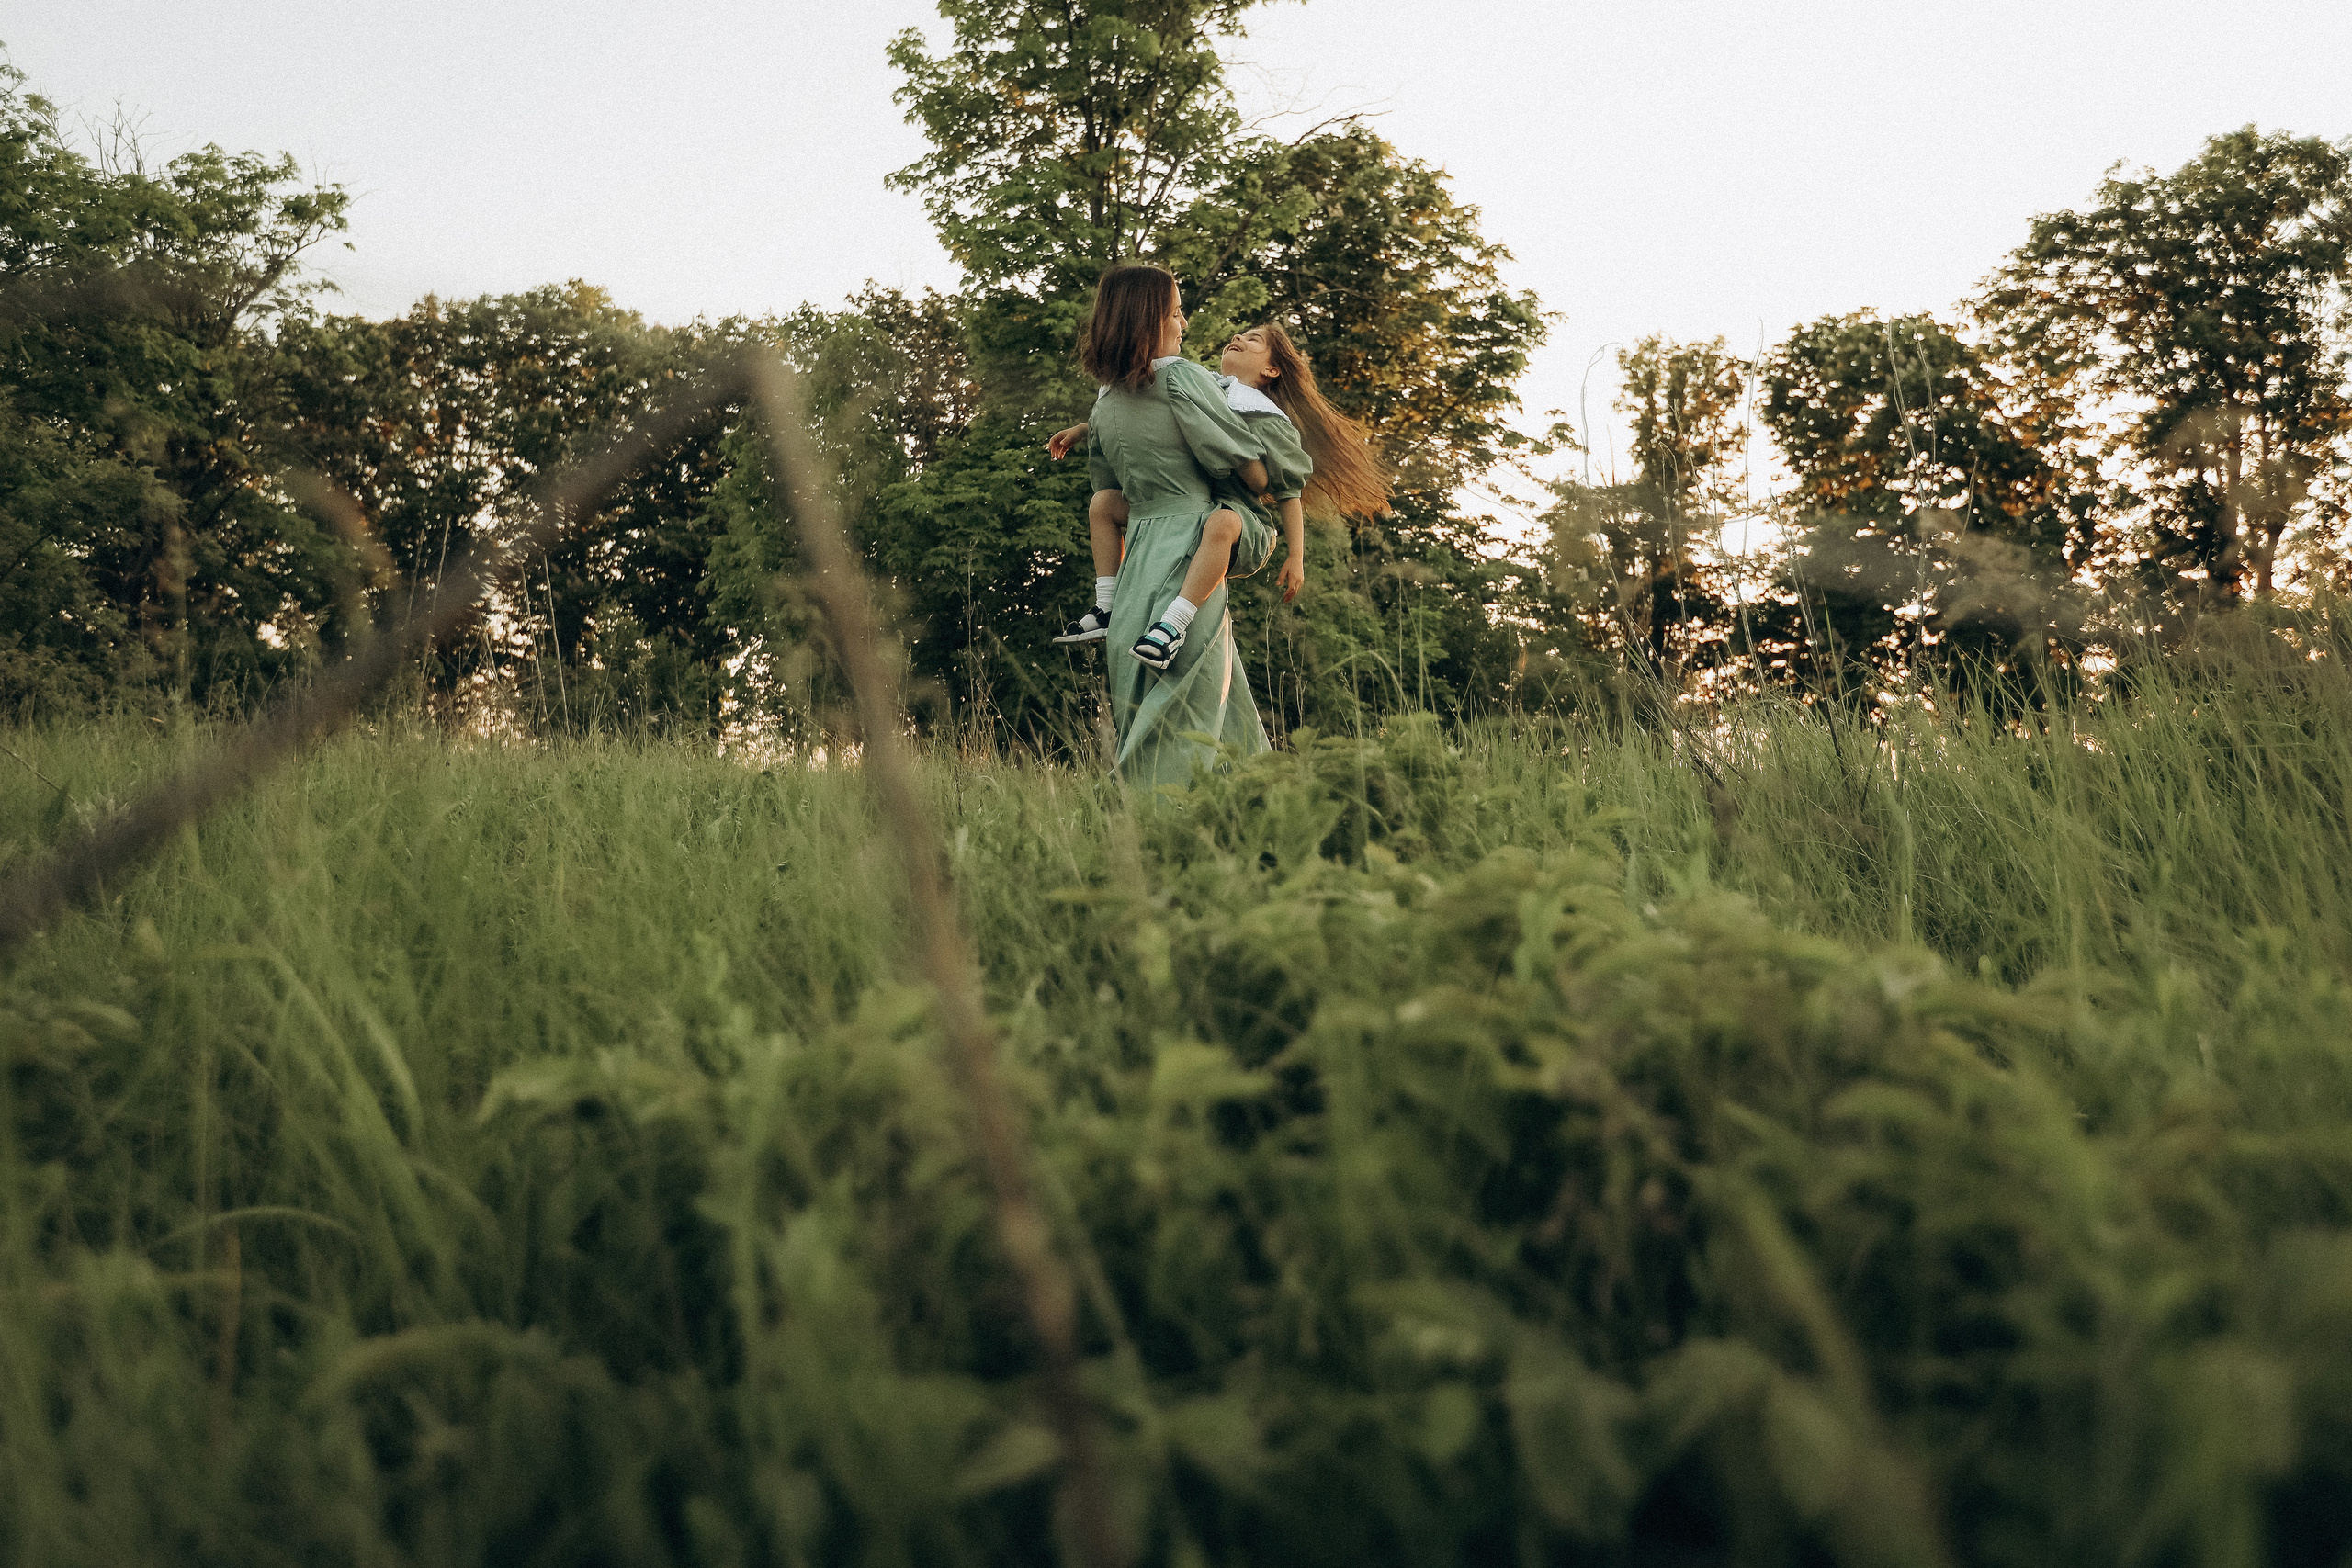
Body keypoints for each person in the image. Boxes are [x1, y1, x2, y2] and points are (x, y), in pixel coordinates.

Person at [1062, 263, 1283, 786]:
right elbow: (1236, 456)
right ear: (1152, 319)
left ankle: (1148, 834)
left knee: (1142, 697)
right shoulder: (1183, 379)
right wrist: (1267, 477)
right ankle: (1201, 824)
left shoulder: (1107, 400)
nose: (1184, 325)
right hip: (1189, 546)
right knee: (1197, 701)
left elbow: (1107, 483)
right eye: (1177, 312)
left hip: (1136, 558)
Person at [1046, 320, 1390, 634]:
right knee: (1104, 504)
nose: (1238, 337)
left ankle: (1176, 621)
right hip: (1193, 508)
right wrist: (1083, 429)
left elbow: (1288, 490)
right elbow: (1150, 417)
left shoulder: (1263, 413)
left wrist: (1295, 557)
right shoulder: (1203, 385)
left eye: (1254, 339)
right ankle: (1106, 604)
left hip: (1243, 520)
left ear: (1271, 369)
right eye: (1238, 334)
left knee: (1222, 522)